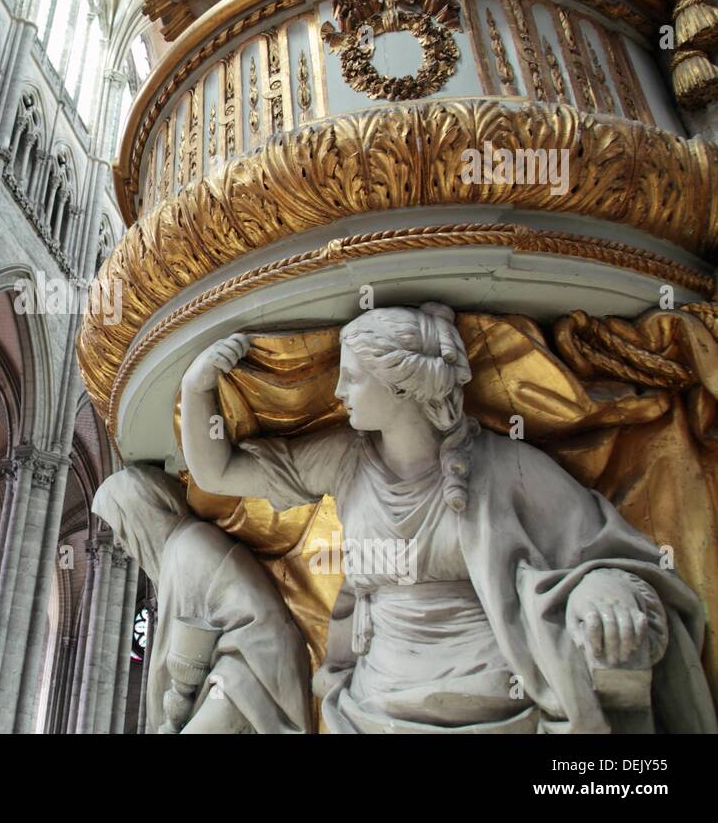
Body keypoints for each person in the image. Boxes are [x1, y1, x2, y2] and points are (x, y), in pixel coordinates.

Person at [180, 303, 717, 732]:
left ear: (400, 386)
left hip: (494, 698)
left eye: (352, 378)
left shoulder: (503, 465)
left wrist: (603, 587)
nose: (339, 392)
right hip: (371, 702)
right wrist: (197, 388)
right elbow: (220, 474)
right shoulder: (344, 459)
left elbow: (606, 554)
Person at [91, 464, 312, 734]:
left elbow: (262, 637)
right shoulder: (177, 554)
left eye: (121, 528)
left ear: (142, 515)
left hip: (252, 684)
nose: (119, 543)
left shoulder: (191, 547)